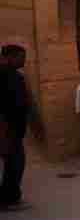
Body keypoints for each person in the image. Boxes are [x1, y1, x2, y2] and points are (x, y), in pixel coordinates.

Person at [1, 44, 44, 210]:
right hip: (6, 129)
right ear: (8, 57)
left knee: (16, 163)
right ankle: (8, 199)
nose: (24, 61)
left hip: (15, 129)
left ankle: (11, 196)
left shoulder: (16, 76)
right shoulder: (3, 76)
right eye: (20, 57)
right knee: (14, 163)